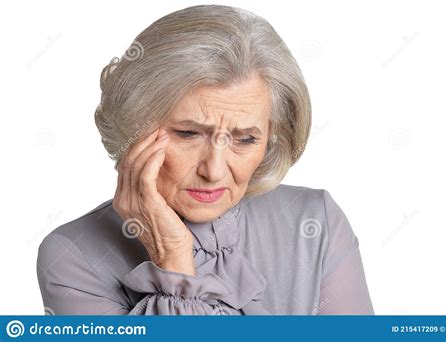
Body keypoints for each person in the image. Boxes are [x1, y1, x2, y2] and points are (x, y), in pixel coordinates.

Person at [36, 4, 374, 315]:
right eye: (188, 134)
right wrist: (173, 260)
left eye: (245, 139)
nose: (213, 171)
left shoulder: (315, 222)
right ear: (134, 126)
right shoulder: (72, 256)